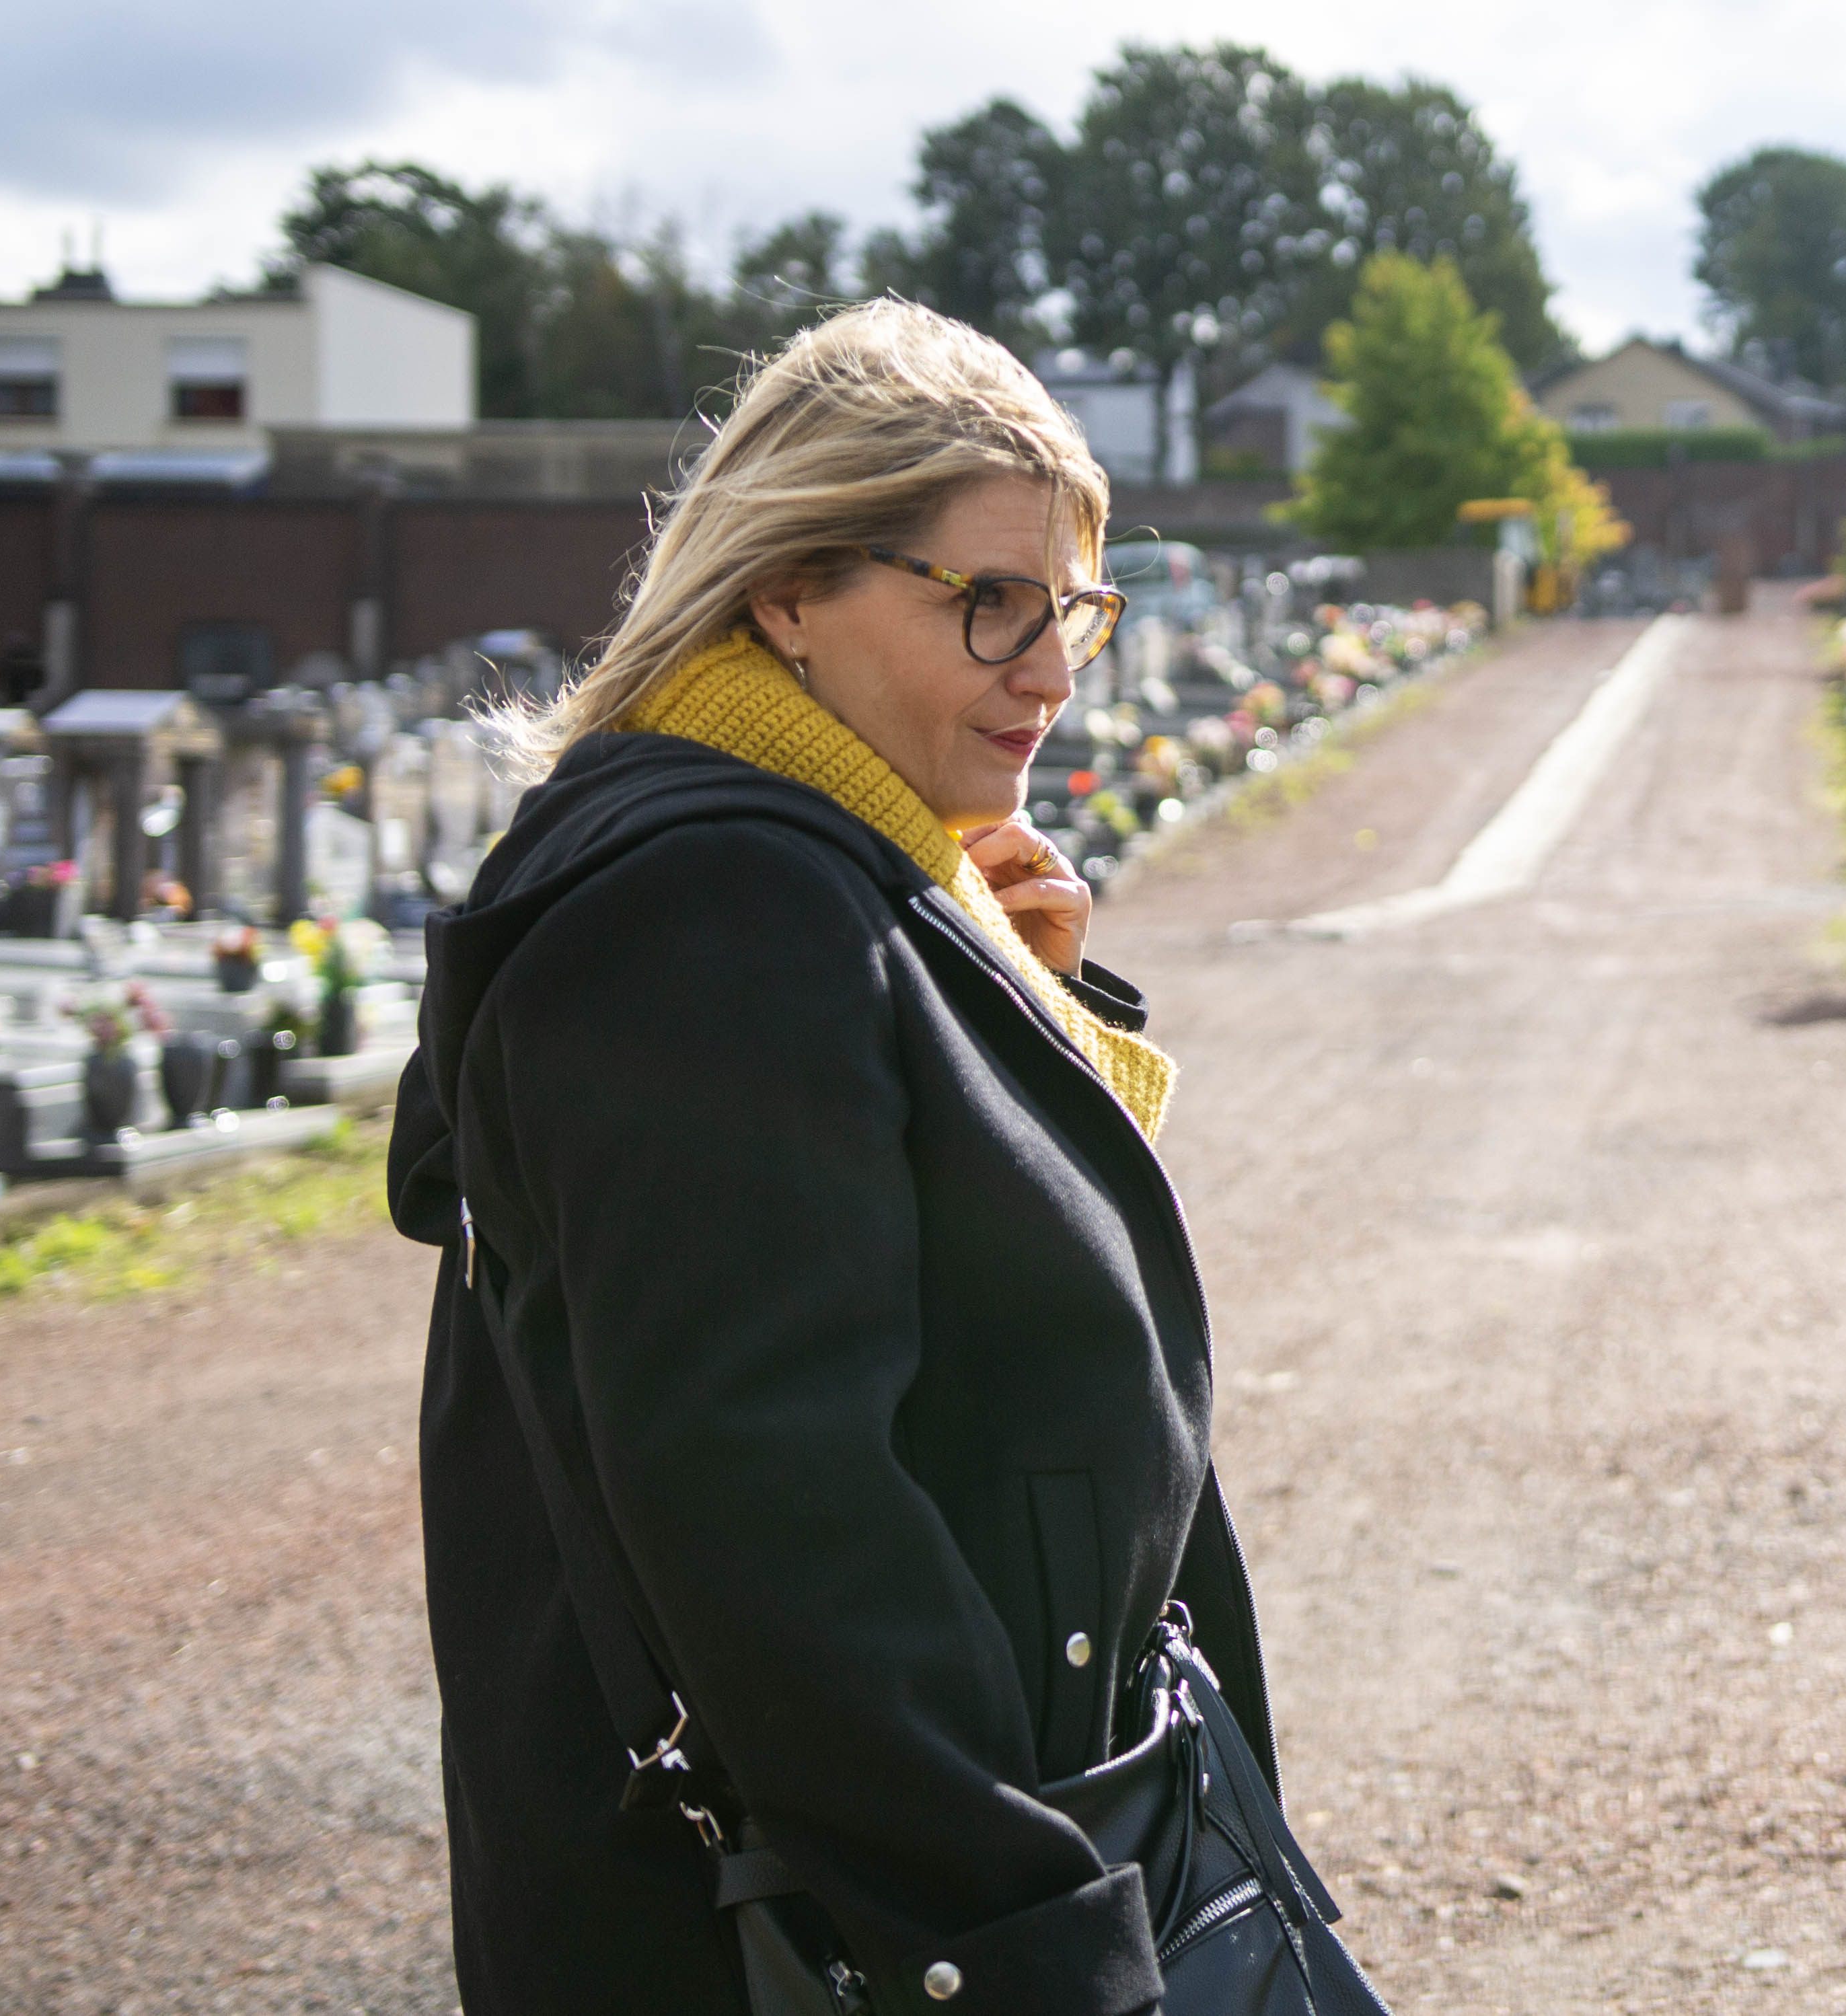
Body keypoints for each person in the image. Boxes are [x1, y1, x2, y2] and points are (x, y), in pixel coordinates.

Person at [387, 300, 1274, 2013]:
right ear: (787, 588)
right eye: (990, 601)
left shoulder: (833, 877)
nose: (1053, 670)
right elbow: (772, 1523)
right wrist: (1031, 1938)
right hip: (852, 1925)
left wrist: (1014, 996)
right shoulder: (710, 913)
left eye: (1073, 604)